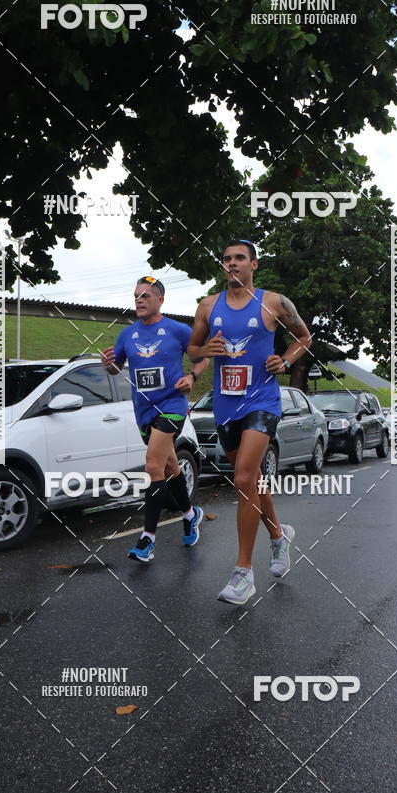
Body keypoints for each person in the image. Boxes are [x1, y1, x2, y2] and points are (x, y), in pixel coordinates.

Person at [188, 239, 312, 604]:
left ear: (254, 264)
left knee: (243, 478)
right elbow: (193, 348)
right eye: (226, 259)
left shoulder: (274, 302)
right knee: (252, 482)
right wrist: (203, 350)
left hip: (262, 400)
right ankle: (279, 535)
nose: (232, 264)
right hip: (226, 404)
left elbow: (304, 337)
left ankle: (243, 574)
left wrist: (285, 361)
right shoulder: (208, 306)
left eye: (239, 258)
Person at [101, 276, 209, 562]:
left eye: (146, 295)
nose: (139, 299)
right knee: (170, 466)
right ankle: (190, 513)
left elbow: (204, 356)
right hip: (144, 411)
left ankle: (147, 540)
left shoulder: (177, 330)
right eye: (136, 295)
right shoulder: (127, 335)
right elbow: (116, 368)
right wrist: (108, 365)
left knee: (152, 465)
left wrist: (191, 376)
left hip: (172, 406)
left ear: (160, 300)